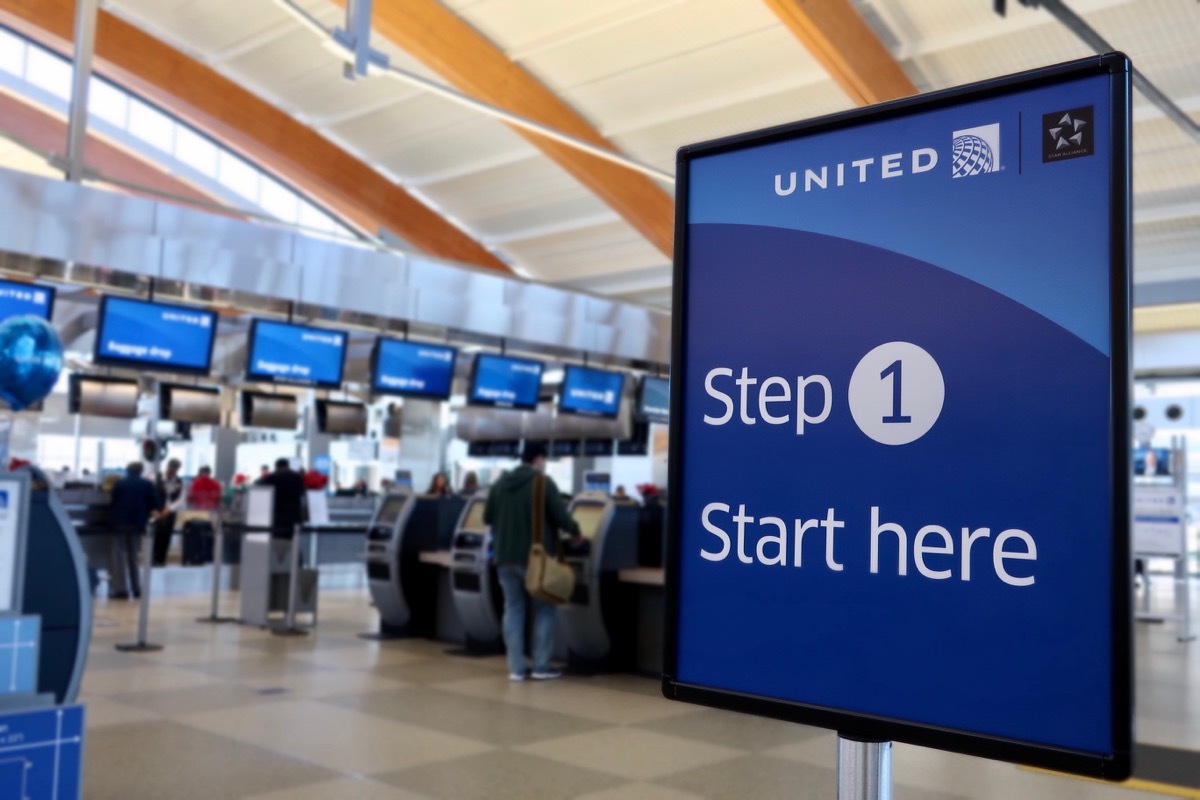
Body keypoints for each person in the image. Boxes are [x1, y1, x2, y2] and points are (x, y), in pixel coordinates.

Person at [484, 442, 581, 682]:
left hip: (504, 557)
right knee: (544, 608)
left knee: (513, 608)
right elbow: (561, 517)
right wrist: (576, 532)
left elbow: (487, 517)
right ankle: (541, 665)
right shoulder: (542, 483)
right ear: (538, 458)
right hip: (535, 558)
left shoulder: (498, 485)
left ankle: (516, 668)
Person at [108, 462, 161, 599]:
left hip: (119, 522)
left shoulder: (119, 484)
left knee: (119, 556)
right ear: (141, 471)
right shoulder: (146, 484)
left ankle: (121, 590)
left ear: (127, 470)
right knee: (134, 556)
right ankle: (136, 588)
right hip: (137, 524)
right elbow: (154, 504)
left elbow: (113, 502)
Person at [257, 458, 305, 539]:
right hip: (293, 515)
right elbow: (302, 493)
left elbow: (262, 493)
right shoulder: (297, 477)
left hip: (277, 516)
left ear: (276, 466)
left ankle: (280, 551)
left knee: (277, 541)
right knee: (293, 542)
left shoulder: (271, 477)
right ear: (288, 465)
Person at [152, 459, 185, 566]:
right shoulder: (156, 478)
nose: (172, 470)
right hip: (156, 511)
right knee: (155, 536)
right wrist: (156, 509)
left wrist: (169, 509)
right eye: (171, 467)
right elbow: (151, 495)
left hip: (170, 512)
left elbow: (180, 498)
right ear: (167, 466)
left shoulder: (179, 481)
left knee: (166, 537)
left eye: (175, 469)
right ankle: (153, 560)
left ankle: (161, 561)